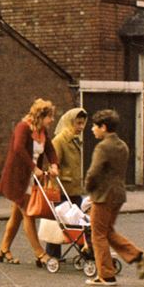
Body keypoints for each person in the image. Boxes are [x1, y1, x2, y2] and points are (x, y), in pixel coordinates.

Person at [83, 109, 144, 286]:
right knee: (107, 231)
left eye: (95, 126)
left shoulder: (103, 147)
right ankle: (138, 256)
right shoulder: (123, 145)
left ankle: (106, 275)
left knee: (97, 234)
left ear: (103, 127)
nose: (92, 130)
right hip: (118, 194)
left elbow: (94, 172)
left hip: (103, 195)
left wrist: (88, 189)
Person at [0, 98, 60, 266]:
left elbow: (50, 150)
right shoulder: (23, 128)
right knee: (28, 213)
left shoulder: (43, 130)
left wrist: (54, 165)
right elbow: (18, 149)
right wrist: (34, 168)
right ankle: (40, 254)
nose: (52, 120)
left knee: (17, 216)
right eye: (50, 117)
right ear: (41, 116)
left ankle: (4, 249)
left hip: (31, 179)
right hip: (18, 178)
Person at [46, 107, 87, 259]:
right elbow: (54, 164)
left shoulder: (76, 140)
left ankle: (84, 250)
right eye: (78, 123)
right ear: (70, 123)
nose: (81, 127)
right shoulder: (59, 140)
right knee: (60, 222)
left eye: (83, 123)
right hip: (62, 189)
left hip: (74, 189)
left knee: (78, 220)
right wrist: (54, 190)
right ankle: (52, 254)